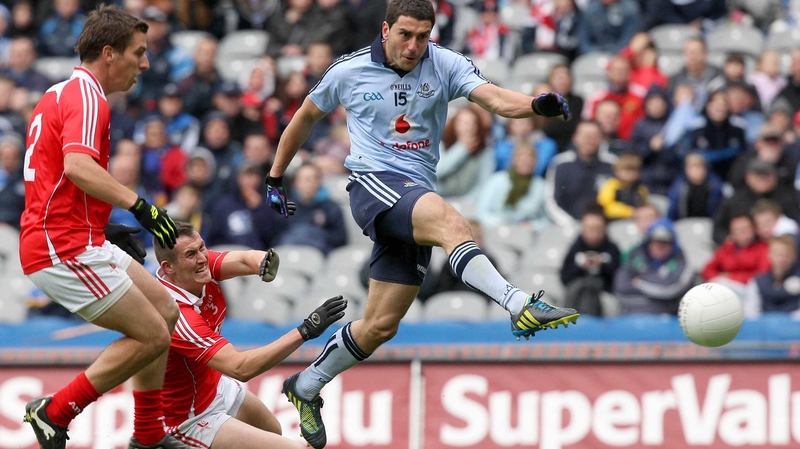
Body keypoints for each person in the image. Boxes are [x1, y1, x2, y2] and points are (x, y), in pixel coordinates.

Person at [263, 1, 579, 447]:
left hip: (415, 195)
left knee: (379, 326)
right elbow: (304, 118)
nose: (414, 46)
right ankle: (517, 304)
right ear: (386, 28)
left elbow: (492, 98)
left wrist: (534, 104)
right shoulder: (348, 70)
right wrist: (276, 176)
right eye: (406, 35)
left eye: (423, 36)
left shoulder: (444, 63)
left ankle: (307, 385)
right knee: (453, 223)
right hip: (374, 187)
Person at [18, 6, 184, 449]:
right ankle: (54, 412)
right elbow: (76, 167)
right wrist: (141, 208)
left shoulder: (58, 93)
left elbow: (53, 175)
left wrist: (103, 225)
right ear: (109, 54)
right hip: (62, 246)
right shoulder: (89, 97)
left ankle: (148, 433)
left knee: (166, 311)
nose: (145, 64)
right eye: (139, 53)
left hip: (74, 235)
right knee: (150, 333)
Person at [155, 221, 346, 449]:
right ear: (168, 267)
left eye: (202, 247)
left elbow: (245, 259)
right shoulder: (177, 316)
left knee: (272, 430)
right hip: (190, 420)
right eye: (190, 254)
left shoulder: (195, 268)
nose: (202, 258)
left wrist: (263, 263)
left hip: (215, 387)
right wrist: (305, 331)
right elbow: (241, 368)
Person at [612, 218, 695, 315]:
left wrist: (639, 282)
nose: (659, 246)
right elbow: (620, 287)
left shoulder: (682, 262)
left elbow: (671, 288)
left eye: (664, 242)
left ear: (673, 244)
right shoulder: (636, 257)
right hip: (633, 316)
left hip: (668, 318)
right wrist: (658, 296)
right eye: (654, 241)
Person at [560, 203, 621, 316]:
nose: (594, 233)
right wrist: (580, 267)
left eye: (598, 228)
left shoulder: (612, 249)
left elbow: (618, 278)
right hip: (576, 293)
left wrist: (602, 266)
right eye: (590, 228)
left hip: (603, 294)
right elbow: (564, 277)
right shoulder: (575, 248)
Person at [701, 213, 770, 298]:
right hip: (723, 286)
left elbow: (762, 275)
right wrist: (717, 278)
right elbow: (708, 269)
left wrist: (731, 277)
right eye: (737, 229)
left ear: (753, 229)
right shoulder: (727, 247)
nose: (742, 232)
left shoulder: (763, 248)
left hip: (750, 290)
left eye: (745, 228)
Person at [743, 235, 800, 318]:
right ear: (769, 254)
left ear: (794, 256)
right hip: (763, 326)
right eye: (777, 254)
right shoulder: (757, 281)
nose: (782, 259)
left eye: (786, 255)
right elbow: (750, 312)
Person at [597, 152, 648, 220]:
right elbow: (605, 206)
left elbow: (644, 205)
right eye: (627, 171)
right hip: (614, 221)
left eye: (634, 171)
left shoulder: (641, 188)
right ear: (617, 171)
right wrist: (628, 212)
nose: (630, 174)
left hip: (635, 221)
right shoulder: (611, 185)